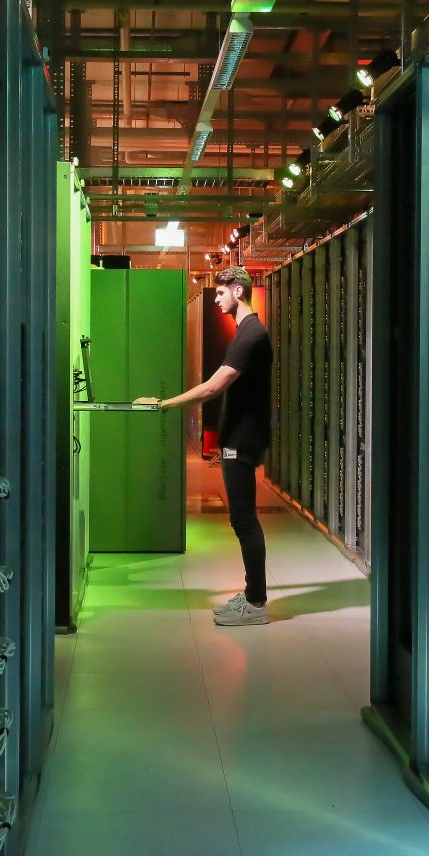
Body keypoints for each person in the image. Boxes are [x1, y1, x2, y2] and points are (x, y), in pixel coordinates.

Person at [135, 266, 274, 626]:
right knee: (241, 518)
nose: (215, 298)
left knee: (244, 519)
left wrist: (162, 404)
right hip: (237, 437)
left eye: (219, 292)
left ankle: (256, 605)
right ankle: (253, 593)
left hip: (242, 439)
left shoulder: (252, 334)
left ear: (237, 292)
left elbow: (213, 387)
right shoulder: (246, 331)